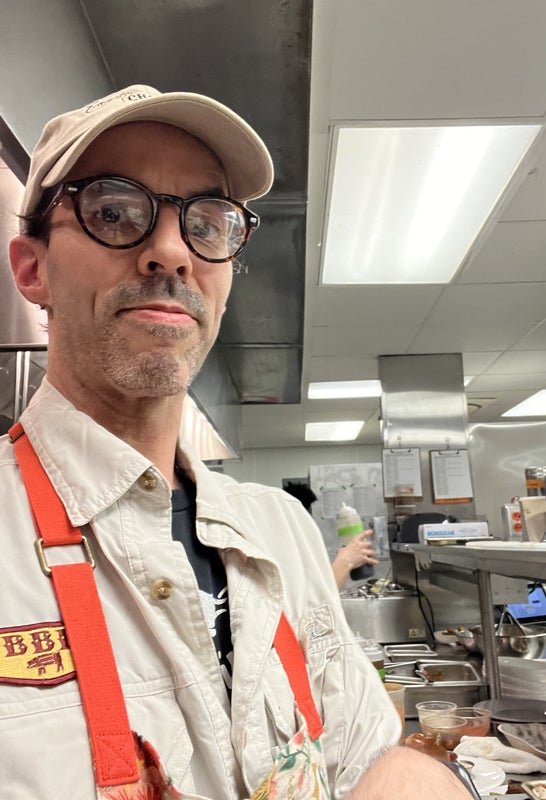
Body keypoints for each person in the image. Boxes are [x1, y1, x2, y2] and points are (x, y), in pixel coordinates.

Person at [1, 85, 471, 799]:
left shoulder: (279, 532)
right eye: (112, 212)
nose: (170, 252)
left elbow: (364, 759)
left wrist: (414, 774)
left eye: (207, 223)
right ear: (32, 269)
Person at [283, 482, 379, 590]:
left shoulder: (303, 535)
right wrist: (346, 561)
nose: (309, 515)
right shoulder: (288, 541)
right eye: (308, 510)